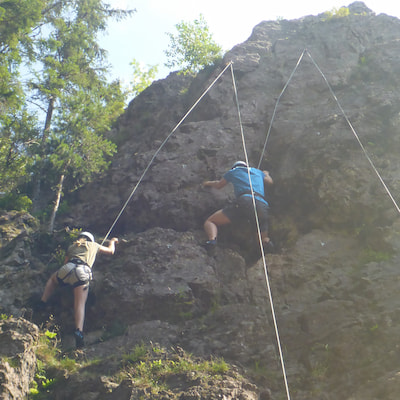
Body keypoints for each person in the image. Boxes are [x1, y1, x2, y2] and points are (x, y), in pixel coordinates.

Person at [40, 231, 118, 348]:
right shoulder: (94, 245)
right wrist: (112, 241)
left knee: (52, 280)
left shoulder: (72, 246)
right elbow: (111, 251)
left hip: (68, 268)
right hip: (82, 270)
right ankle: (79, 331)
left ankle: (42, 302)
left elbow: (65, 262)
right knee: (79, 304)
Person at [203, 161, 273, 251]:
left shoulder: (234, 171)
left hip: (245, 201)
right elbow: (270, 182)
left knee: (211, 221)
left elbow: (219, 185)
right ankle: (266, 243)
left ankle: (212, 241)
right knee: (261, 236)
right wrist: (266, 174)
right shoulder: (257, 172)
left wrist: (207, 183)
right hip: (262, 205)